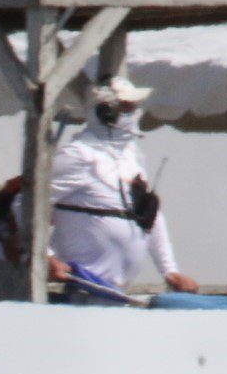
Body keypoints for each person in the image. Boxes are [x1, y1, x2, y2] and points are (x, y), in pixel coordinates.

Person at [50, 76, 199, 294]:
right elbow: (25, 206)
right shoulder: (78, 155)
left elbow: (150, 216)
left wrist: (169, 270)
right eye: (125, 107)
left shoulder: (132, 156)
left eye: (133, 106)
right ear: (105, 112)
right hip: (78, 286)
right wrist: (47, 258)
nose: (133, 112)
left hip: (118, 291)